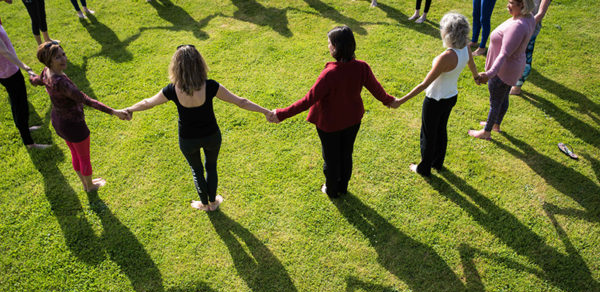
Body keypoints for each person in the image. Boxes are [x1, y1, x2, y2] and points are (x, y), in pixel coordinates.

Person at [126, 45, 273, 212]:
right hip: (211, 136)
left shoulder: (172, 90)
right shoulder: (210, 86)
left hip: (188, 140)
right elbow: (241, 102)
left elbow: (147, 103)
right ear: (199, 63)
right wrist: (266, 112)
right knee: (211, 167)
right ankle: (213, 202)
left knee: (197, 170)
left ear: (176, 66)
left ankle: (204, 204)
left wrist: (130, 109)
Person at [271, 26, 396, 198]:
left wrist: (280, 114)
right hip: (353, 120)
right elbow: (377, 90)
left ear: (336, 47)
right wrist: (389, 101)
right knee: (346, 154)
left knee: (331, 159)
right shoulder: (362, 67)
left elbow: (307, 101)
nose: (328, 46)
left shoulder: (329, 74)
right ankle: (342, 187)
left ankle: (331, 190)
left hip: (329, 125)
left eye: (329, 43)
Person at [30, 41, 130, 191]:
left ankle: (85, 182)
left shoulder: (46, 72)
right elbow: (87, 100)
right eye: (58, 57)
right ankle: (90, 186)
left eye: (63, 55)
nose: (64, 59)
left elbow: (38, 80)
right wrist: (114, 112)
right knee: (84, 157)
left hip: (59, 122)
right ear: (49, 61)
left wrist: (32, 78)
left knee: (74, 153)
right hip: (74, 125)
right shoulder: (61, 83)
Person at [391, 13, 480, 176]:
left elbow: (424, 84)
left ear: (448, 33)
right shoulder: (466, 46)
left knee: (428, 134)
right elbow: (472, 64)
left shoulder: (446, 56)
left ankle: (423, 168)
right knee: (440, 130)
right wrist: (476, 77)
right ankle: (437, 163)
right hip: (451, 96)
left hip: (435, 99)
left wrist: (400, 101)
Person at [468, 0, 535, 140]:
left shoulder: (518, 26)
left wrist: (489, 74)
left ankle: (486, 132)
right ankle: (495, 124)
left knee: (495, 102)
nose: (507, 5)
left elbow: (504, 54)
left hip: (503, 71)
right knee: (503, 97)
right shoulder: (529, 18)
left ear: (522, 5)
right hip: (514, 68)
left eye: (511, 2)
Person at [0, 16, 50, 148]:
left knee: (18, 102)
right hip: (9, 72)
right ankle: (29, 142)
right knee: (19, 104)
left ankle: (25, 128)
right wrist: (26, 67)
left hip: (8, 70)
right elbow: (4, 51)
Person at [510, 0, 551, 95]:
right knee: (515, 53)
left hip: (530, 28)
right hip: (519, 24)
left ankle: (517, 86)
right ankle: (512, 78)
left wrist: (527, 25)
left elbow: (541, 13)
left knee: (525, 56)